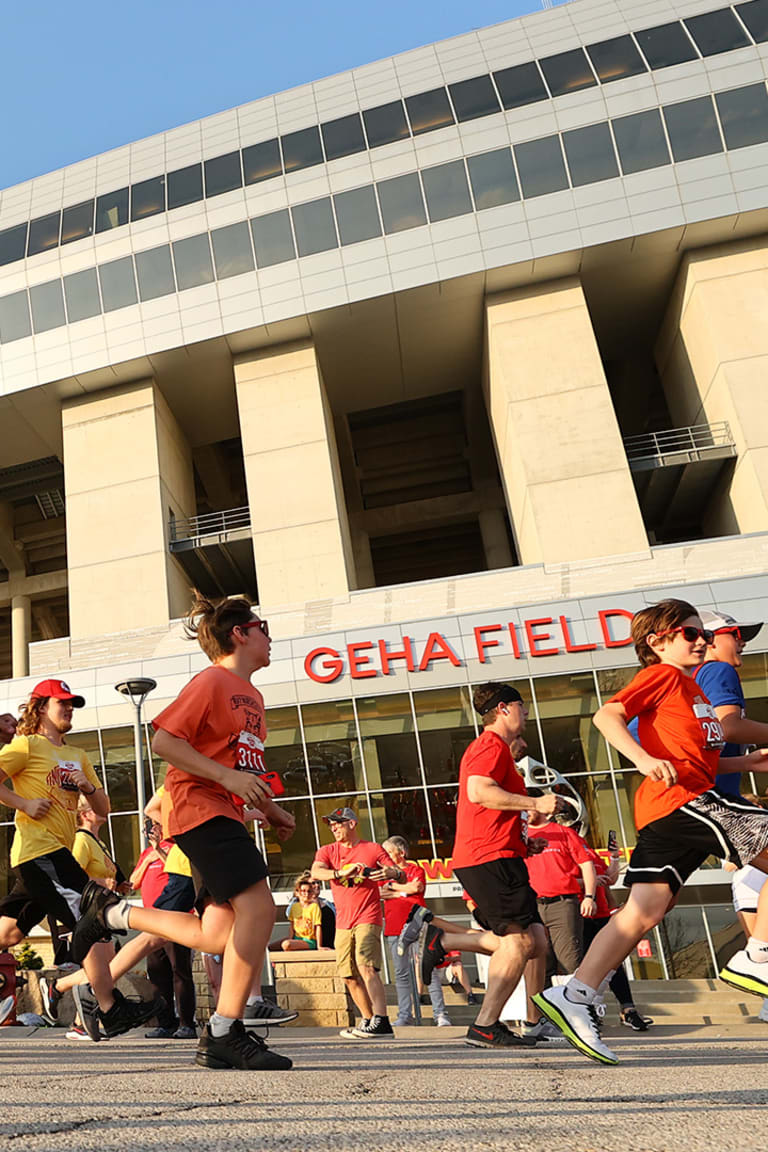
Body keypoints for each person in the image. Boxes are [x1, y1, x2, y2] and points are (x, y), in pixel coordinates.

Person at [534, 599, 768, 1064]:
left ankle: (574, 994)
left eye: (703, 633)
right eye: (689, 633)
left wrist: (747, 761)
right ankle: (757, 955)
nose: (700, 640)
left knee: (643, 911)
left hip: (669, 809)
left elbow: (696, 758)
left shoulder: (692, 691)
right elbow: (607, 716)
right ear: (656, 642)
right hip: (684, 800)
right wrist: (641, 759)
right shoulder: (663, 676)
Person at [69, 593, 296, 1071]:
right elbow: (165, 740)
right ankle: (224, 1029)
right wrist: (228, 780)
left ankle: (113, 914)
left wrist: (271, 810)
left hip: (224, 811)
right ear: (241, 633)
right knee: (259, 905)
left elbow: (240, 767)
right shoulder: (214, 680)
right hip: (198, 808)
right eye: (264, 626)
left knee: (218, 935)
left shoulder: (252, 696)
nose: (269, 635)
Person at [405, 682, 565, 1049]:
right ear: (504, 708)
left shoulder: (500, 752)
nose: (526, 714)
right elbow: (479, 792)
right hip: (487, 858)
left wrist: (525, 843)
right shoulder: (488, 745)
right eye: (522, 707)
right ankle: (485, 1025)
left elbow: (486, 809)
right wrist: (534, 803)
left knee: (536, 943)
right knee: (521, 941)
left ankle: (445, 939)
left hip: (501, 855)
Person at [0, 679, 157, 1038]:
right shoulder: (26, 746)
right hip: (39, 850)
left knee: (9, 934)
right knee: (95, 917)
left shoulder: (78, 756)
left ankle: (105, 1005)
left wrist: (86, 787)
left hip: (51, 856)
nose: (69, 708)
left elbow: (104, 808)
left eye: (73, 704)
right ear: (41, 708)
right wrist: (23, 804)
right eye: (63, 702)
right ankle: (109, 1007)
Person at [311, 807, 404, 1038]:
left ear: (352, 824)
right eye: (331, 825)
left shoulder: (372, 848)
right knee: (348, 975)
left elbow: (399, 873)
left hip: (368, 916)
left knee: (366, 966)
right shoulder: (328, 851)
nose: (334, 828)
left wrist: (390, 873)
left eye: (338, 824)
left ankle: (382, 1020)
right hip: (343, 921)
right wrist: (340, 872)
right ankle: (368, 1019)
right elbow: (316, 871)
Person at [579, 838, 652, 1031]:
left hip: (601, 912)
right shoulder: (566, 845)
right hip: (580, 911)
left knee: (614, 961)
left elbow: (609, 880)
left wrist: (614, 858)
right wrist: (587, 883)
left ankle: (627, 1009)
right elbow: (558, 879)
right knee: (585, 961)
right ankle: (586, 1009)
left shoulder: (588, 849)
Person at [524, 788, 597, 975]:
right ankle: (541, 1004)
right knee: (539, 965)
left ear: (542, 806)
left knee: (569, 962)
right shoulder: (519, 837)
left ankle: (574, 1003)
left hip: (562, 905)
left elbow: (587, 865)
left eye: (529, 807)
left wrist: (589, 896)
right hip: (532, 908)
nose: (525, 812)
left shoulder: (564, 833)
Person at [380, 835, 451, 1027]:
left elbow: (416, 886)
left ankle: (440, 1014)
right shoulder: (384, 875)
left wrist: (394, 889)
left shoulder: (416, 869)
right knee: (401, 973)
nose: (384, 857)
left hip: (418, 925)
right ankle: (405, 1015)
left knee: (429, 971)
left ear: (400, 853)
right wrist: (404, 890)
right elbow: (381, 892)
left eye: (388, 852)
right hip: (394, 928)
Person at [694, 611, 765, 797]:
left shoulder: (691, 676)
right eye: (735, 634)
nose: (743, 642)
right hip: (709, 799)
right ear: (708, 639)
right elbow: (728, 727)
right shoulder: (718, 669)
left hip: (693, 800)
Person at [271, 876, 323, 951]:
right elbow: (292, 926)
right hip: (296, 938)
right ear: (297, 893)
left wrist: (319, 946)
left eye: (309, 891)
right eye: (303, 891)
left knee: (286, 944)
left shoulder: (314, 907)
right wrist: (291, 939)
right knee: (271, 947)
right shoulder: (294, 907)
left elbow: (318, 927)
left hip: (309, 940)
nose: (306, 894)